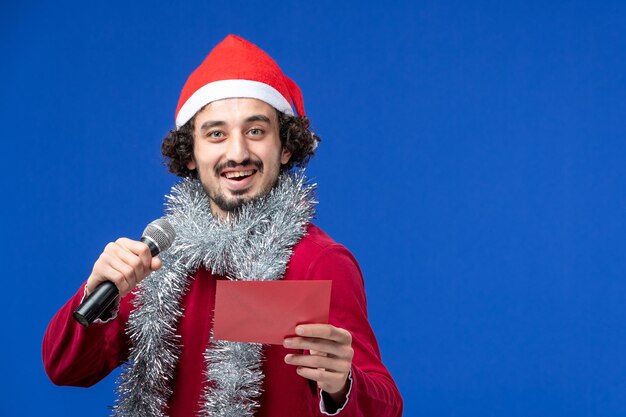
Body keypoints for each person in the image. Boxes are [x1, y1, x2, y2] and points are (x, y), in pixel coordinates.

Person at [43, 34, 403, 417]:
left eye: (256, 131)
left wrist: (342, 385)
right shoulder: (155, 261)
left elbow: (385, 405)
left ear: (285, 148)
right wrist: (97, 292)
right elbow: (65, 368)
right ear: (190, 155)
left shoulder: (320, 263)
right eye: (216, 134)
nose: (237, 153)